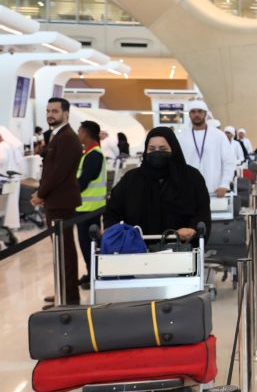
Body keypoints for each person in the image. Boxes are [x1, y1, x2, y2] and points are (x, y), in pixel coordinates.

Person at [105, 127, 211, 242]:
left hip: (181, 249)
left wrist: (193, 229)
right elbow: (113, 211)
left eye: (163, 148)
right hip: (137, 250)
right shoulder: (131, 179)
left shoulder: (191, 178)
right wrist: (114, 232)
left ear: (174, 149)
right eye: (152, 149)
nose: (157, 152)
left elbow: (202, 211)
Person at [33, 98, 83, 306]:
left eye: (55, 111)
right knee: (60, 252)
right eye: (48, 111)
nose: (50, 115)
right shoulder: (57, 136)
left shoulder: (68, 138)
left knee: (65, 252)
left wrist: (40, 194)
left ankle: (69, 298)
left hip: (61, 202)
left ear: (66, 114)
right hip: (55, 202)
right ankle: (62, 292)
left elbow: (58, 173)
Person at [177, 100, 235, 198]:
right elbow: (176, 163)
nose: (196, 114)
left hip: (215, 192)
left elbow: (229, 161)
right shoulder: (181, 137)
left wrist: (224, 184)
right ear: (189, 115)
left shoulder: (218, 135)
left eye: (200, 111)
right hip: (188, 191)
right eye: (193, 112)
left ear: (205, 114)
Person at [74, 120, 107, 289]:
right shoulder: (88, 153)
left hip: (89, 209)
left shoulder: (94, 154)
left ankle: (95, 275)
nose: (78, 134)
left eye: (79, 131)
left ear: (85, 133)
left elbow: (84, 181)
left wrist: (67, 192)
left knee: (89, 244)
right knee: (87, 244)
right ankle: (91, 273)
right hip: (85, 208)